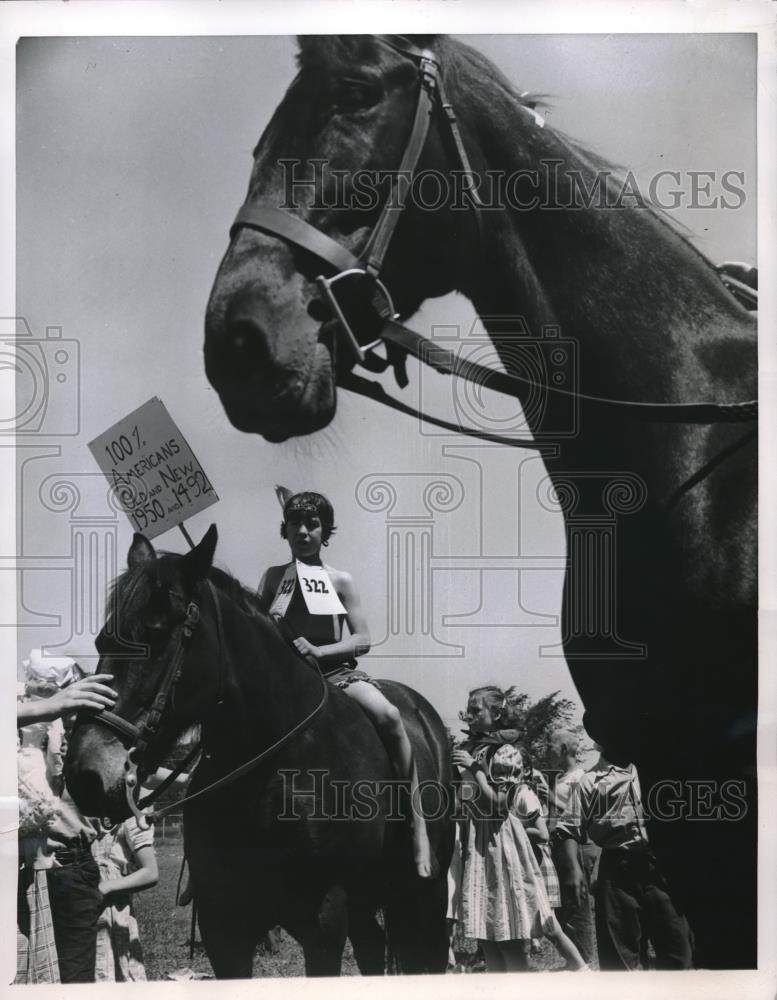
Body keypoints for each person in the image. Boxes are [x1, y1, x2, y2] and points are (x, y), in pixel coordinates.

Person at [257, 490, 434, 878]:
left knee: (389, 715)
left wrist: (321, 653)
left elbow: (363, 639)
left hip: (336, 676)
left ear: (326, 531)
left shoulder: (340, 579)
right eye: (294, 524)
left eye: (312, 524)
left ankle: (416, 824)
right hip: (286, 686)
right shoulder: (272, 578)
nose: (303, 531)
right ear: (283, 530)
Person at [452, 686, 588, 972]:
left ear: (497, 713)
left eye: (476, 710)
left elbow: (501, 805)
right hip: (477, 843)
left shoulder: (505, 753)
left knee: (508, 929)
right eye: (469, 710)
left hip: (502, 843)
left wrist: (475, 769)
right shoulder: (470, 751)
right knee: (486, 930)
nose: (469, 716)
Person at [554, 710, 694, 971]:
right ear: (600, 738)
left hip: (659, 868)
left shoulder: (653, 769)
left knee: (678, 949)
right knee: (619, 957)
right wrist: (573, 869)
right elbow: (568, 829)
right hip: (617, 873)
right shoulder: (589, 782)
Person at [16, 653, 118, 984]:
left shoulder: (78, 728)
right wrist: (44, 708)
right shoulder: (20, 718)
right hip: (20, 868)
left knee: (75, 978)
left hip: (70, 865)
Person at [547, 728, 598, 965]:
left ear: (565, 749)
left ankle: (585, 959)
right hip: (560, 844)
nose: (547, 749)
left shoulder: (581, 777)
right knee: (566, 904)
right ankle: (574, 960)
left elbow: (578, 814)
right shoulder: (560, 777)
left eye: (551, 745)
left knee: (579, 904)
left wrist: (548, 796)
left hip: (577, 845)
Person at [93, 816, 158, 981]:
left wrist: (106, 887)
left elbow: (150, 873)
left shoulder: (129, 818)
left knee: (113, 965)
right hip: (80, 897)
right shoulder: (85, 808)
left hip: (112, 905)